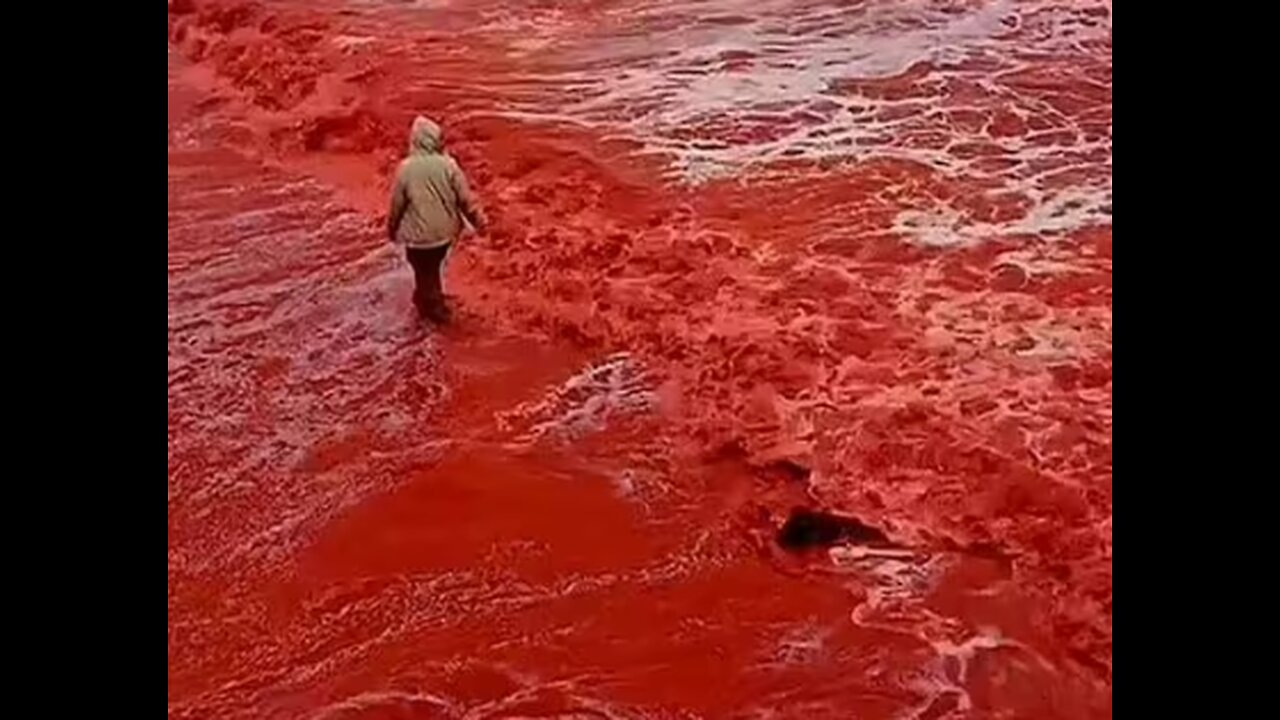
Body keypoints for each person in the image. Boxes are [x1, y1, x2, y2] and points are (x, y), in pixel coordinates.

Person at [386, 116, 488, 324]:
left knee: (423, 270)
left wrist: (392, 229)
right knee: (432, 267)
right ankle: (430, 301)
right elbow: (465, 199)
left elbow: (397, 206)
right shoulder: (449, 165)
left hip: (417, 237)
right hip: (444, 234)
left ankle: (434, 312)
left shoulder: (405, 168)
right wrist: (479, 222)